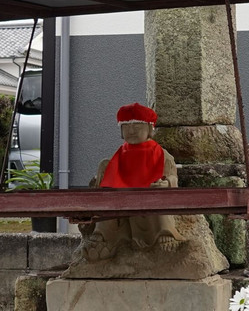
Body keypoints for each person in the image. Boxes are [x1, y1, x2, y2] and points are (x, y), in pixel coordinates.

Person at [78, 102, 185, 260]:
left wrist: (167, 182)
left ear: (150, 129)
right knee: (107, 195)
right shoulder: (115, 159)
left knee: (158, 194)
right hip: (121, 204)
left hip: (149, 204)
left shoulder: (161, 155)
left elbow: (172, 176)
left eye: (137, 126)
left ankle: (164, 233)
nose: (132, 131)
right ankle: (103, 236)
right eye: (127, 126)